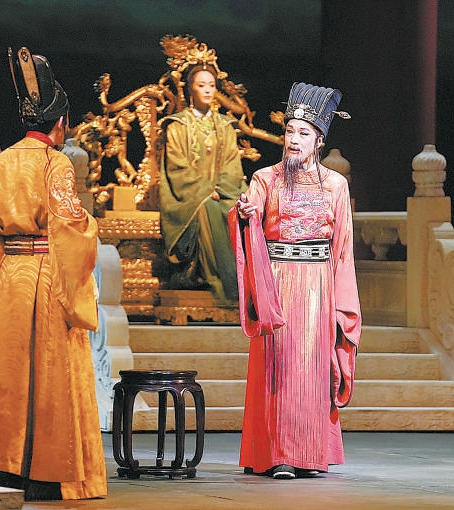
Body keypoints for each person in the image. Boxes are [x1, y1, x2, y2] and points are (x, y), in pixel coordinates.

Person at [0, 47, 107, 501]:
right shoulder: (55, 163)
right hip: (46, 273)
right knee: (51, 371)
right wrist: (90, 229)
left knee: (6, 370)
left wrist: (3, 269)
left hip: (11, 278)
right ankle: (47, 471)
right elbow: (69, 226)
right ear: (60, 123)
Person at [229, 82, 361, 479]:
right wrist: (246, 214)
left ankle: (310, 454)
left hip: (318, 286)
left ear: (318, 141)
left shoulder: (336, 185)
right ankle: (278, 454)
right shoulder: (265, 178)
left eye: (303, 133)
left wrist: (340, 305)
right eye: (289, 131)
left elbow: (342, 248)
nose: (293, 139)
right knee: (281, 369)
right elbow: (249, 216)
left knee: (313, 370)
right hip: (279, 284)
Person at [159, 63, 247, 303]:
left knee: (238, 210)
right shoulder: (177, 125)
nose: (208, 90)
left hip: (224, 192)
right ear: (191, 89)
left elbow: (232, 166)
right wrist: (207, 191)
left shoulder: (225, 126)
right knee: (209, 208)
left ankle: (245, 284)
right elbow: (177, 167)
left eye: (211, 85)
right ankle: (220, 282)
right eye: (201, 85)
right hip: (189, 197)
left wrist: (220, 189)